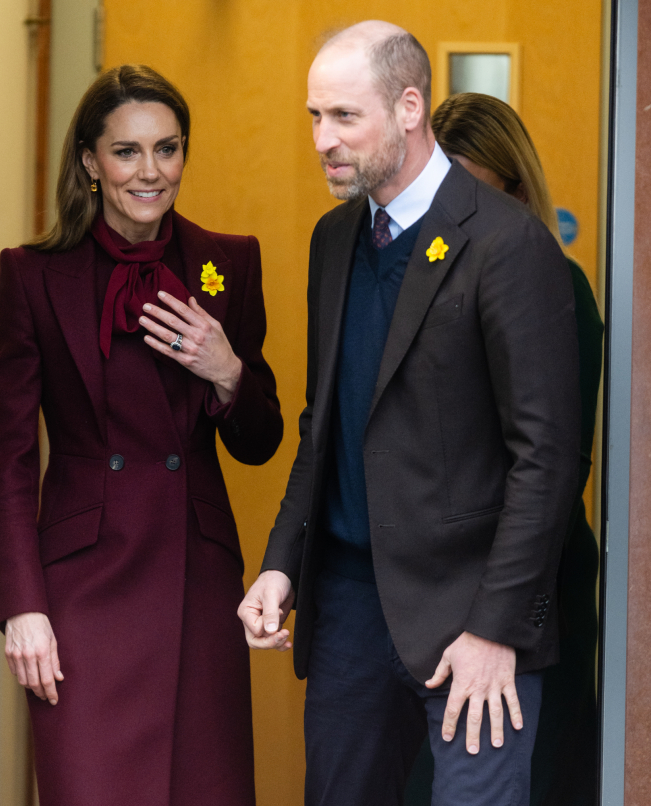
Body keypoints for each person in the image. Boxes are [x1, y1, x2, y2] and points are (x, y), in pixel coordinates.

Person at [237, 21, 580, 806]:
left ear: (409, 108)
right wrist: (281, 565)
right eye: (314, 117)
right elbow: (321, 424)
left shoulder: (508, 246)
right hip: (350, 614)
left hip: (474, 613)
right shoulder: (333, 241)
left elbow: (547, 458)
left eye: (345, 117)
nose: (324, 139)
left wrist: (498, 630)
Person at [0, 64, 283, 806]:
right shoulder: (32, 276)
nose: (151, 171)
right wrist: (23, 606)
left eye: (168, 148)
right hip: (80, 596)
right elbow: (10, 459)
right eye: (127, 152)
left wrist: (227, 372)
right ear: (90, 161)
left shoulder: (229, 261)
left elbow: (261, 438)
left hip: (196, 583)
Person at [424, 92, 603, 806]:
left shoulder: (559, 286)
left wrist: (493, 614)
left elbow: (554, 465)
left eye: (467, 186)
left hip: (534, 591)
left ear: (515, 188)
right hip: (432, 597)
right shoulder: (418, 284)